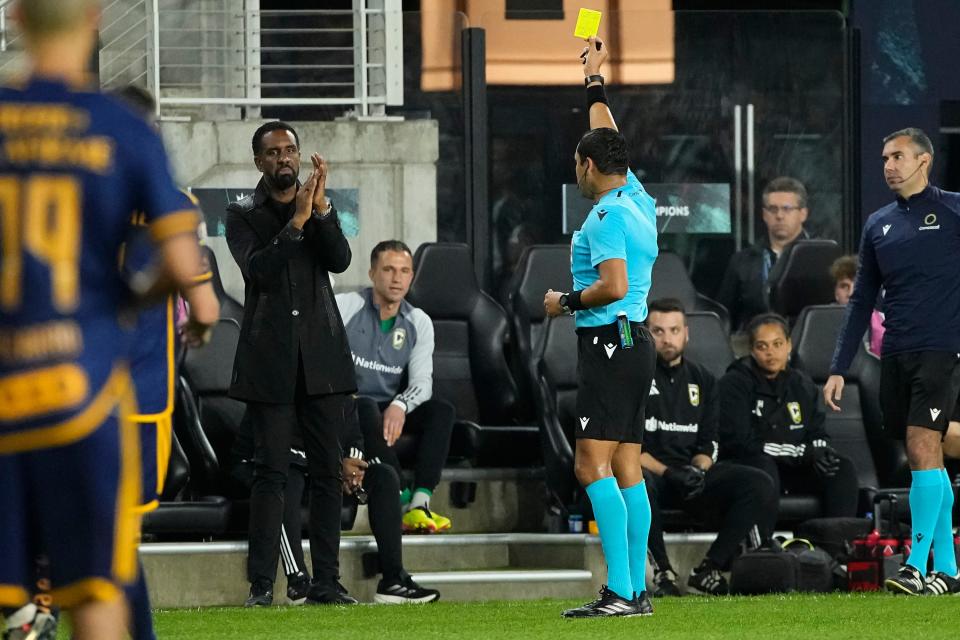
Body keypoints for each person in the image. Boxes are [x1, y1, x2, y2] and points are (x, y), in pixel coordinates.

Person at [0, 2, 218, 639]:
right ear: (95, 18)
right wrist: (136, 301)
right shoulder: (121, 129)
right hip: (85, 390)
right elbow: (188, 278)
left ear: (15, 17)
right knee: (97, 592)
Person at [543, 35, 658, 619]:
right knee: (627, 466)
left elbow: (611, 285)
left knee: (591, 465)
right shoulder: (637, 195)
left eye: (578, 163)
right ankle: (635, 590)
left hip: (610, 339)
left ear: (588, 167)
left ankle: (619, 590)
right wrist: (594, 80)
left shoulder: (608, 215)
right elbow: (608, 134)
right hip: (635, 342)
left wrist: (563, 300)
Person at [226, 121, 357, 607]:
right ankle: (262, 585)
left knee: (327, 474)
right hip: (270, 361)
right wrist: (296, 221)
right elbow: (258, 269)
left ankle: (327, 581)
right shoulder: (241, 215)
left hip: (322, 359)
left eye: (291, 150)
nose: (284, 159)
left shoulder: (318, 206)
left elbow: (340, 260)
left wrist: (320, 211)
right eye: (274, 152)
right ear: (259, 161)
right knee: (272, 474)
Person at [824, 127, 960, 596]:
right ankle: (950, 568)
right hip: (894, 354)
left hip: (943, 351)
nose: (888, 165)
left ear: (925, 160)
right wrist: (839, 366)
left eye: (898, 156)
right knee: (930, 456)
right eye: (884, 157)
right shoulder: (878, 223)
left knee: (923, 448)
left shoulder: (954, 210)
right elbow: (861, 300)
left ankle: (915, 566)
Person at [642, 299, 776, 597]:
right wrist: (670, 473)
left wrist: (697, 469)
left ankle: (710, 568)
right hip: (654, 474)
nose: (667, 339)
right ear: (647, 334)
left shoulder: (704, 380)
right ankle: (663, 571)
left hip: (691, 476)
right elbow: (627, 449)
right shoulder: (635, 378)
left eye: (674, 330)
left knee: (757, 482)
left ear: (686, 334)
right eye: (658, 331)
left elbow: (710, 442)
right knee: (637, 482)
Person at [336, 240, 456, 533]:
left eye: (404, 271)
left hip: (387, 404)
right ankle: (400, 496)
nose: (397, 278)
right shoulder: (346, 306)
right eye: (388, 269)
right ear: (372, 273)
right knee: (362, 405)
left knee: (442, 411)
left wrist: (400, 405)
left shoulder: (419, 321)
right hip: (347, 405)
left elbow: (422, 383)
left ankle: (420, 503)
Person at [718, 314, 859, 522]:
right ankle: (763, 547)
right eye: (762, 346)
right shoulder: (734, 384)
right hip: (755, 466)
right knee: (764, 468)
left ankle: (836, 543)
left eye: (777, 344)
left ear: (789, 345)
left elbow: (817, 431)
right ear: (751, 350)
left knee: (841, 467)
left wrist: (820, 450)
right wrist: (803, 452)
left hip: (795, 468)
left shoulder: (802, 383)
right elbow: (744, 444)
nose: (770, 353)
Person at [716, 177, 812, 330]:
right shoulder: (742, 261)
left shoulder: (819, 257)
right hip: (752, 345)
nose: (779, 216)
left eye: (787, 209)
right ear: (764, 214)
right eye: (773, 209)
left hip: (807, 344)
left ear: (803, 214)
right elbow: (724, 315)